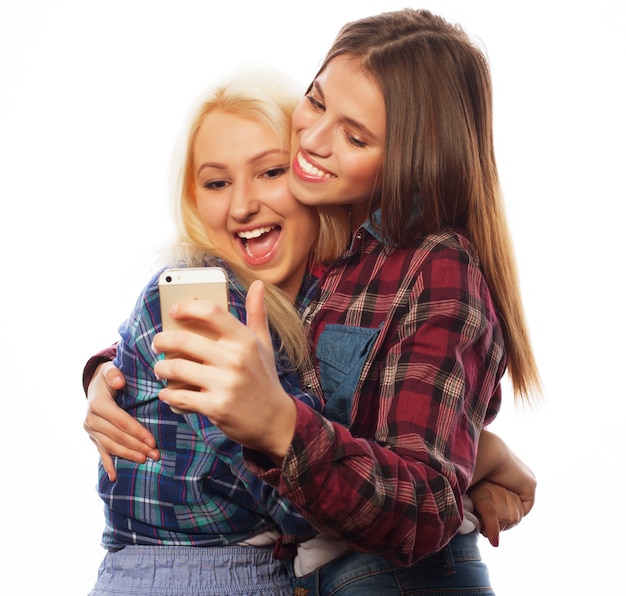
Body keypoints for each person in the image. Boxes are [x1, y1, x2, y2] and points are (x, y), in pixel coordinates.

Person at [84, 8, 539, 595]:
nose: (313, 142)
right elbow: (300, 408)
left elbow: (414, 498)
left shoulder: (431, 265)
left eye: (355, 136)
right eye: (316, 101)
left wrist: (277, 425)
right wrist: (112, 374)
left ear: (408, 157)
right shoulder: (316, 244)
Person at [87, 67, 349, 596]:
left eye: (270, 172)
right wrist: (448, 484)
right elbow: (267, 474)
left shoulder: (314, 297)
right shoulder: (206, 303)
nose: (241, 205)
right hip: (199, 575)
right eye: (216, 182)